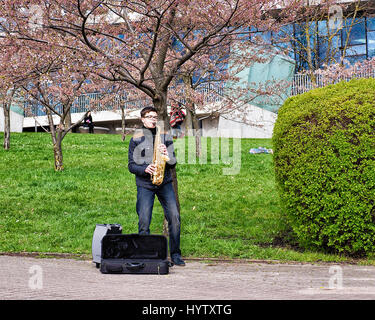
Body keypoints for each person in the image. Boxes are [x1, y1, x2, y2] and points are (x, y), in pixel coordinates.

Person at [128, 106, 185, 266]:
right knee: (144, 219)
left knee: (174, 217)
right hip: (145, 183)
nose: (153, 119)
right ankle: (145, 254)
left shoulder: (165, 136)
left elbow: (173, 163)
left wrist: (168, 155)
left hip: (164, 182)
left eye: (155, 117)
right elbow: (131, 166)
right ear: (143, 119)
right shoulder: (136, 138)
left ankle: (175, 254)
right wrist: (145, 169)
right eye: (149, 116)